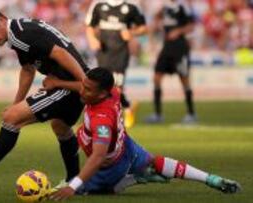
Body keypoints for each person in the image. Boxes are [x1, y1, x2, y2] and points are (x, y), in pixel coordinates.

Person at [46, 67, 240, 200]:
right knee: (154, 161)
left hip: (109, 166)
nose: (82, 91)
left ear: (102, 94)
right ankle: (211, 179)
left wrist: (73, 186)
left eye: (88, 90)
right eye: (84, 86)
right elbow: (84, 85)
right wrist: (59, 83)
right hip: (128, 146)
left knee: (91, 190)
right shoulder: (112, 91)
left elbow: (98, 156)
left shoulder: (102, 119)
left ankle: (133, 178)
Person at [0, 7, 90, 188]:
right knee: (60, 127)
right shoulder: (20, 31)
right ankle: (75, 183)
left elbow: (61, 53)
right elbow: (27, 69)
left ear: (2, 20)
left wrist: (85, 83)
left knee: (12, 118)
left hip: (68, 84)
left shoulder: (21, 35)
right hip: (66, 82)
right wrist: (16, 103)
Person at [85, 0, 148, 128]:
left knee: (117, 87)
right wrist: (92, 39)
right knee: (101, 86)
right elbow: (89, 26)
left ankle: (114, 117)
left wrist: (131, 33)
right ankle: (127, 107)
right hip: (103, 52)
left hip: (121, 52)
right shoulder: (98, 4)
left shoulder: (131, 6)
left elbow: (144, 28)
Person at [146, 0, 197, 124]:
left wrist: (178, 31)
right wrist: (156, 24)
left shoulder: (183, 7)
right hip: (167, 47)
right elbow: (155, 19)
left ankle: (191, 114)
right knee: (156, 77)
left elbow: (191, 26)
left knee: (184, 78)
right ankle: (158, 114)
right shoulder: (164, 7)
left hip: (180, 47)